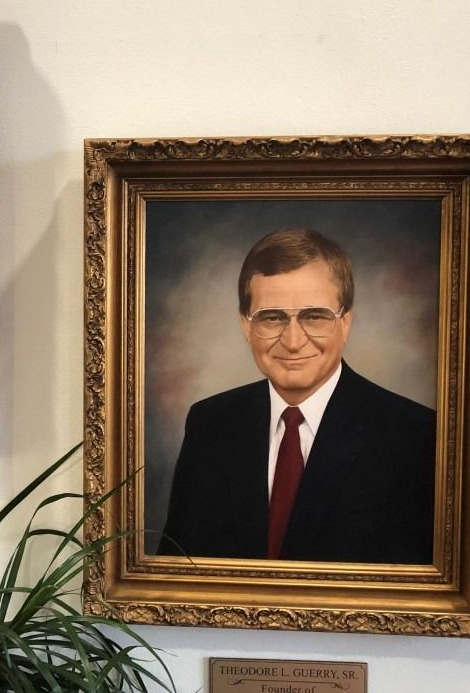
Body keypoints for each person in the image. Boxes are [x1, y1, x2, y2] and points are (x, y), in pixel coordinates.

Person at [158, 228, 435, 564]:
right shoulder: (210, 424)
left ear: (346, 323)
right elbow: (176, 570)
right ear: (247, 327)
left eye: (314, 316)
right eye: (272, 318)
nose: (292, 340)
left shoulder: (415, 436)